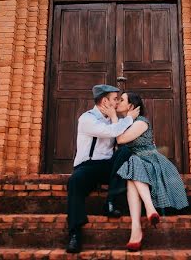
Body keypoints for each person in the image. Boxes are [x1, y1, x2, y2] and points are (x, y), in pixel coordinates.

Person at [66, 84, 140, 254]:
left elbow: (127, 138)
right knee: (75, 181)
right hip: (88, 166)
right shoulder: (87, 118)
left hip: (108, 167)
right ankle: (75, 234)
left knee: (126, 152)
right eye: (115, 99)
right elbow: (109, 132)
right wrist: (128, 119)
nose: (117, 102)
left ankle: (111, 202)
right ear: (105, 101)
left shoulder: (117, 121)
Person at [116, 92, 189, 252]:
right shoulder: (125, 122)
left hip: (153, 162)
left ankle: (140, 224)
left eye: (122, 100)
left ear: (131, 106)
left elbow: (120, 140)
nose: (118, 102)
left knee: (133, 165)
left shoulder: (141, 122)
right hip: (137, 165)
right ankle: (143, 220)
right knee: (132, 172)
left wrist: (114, 119)